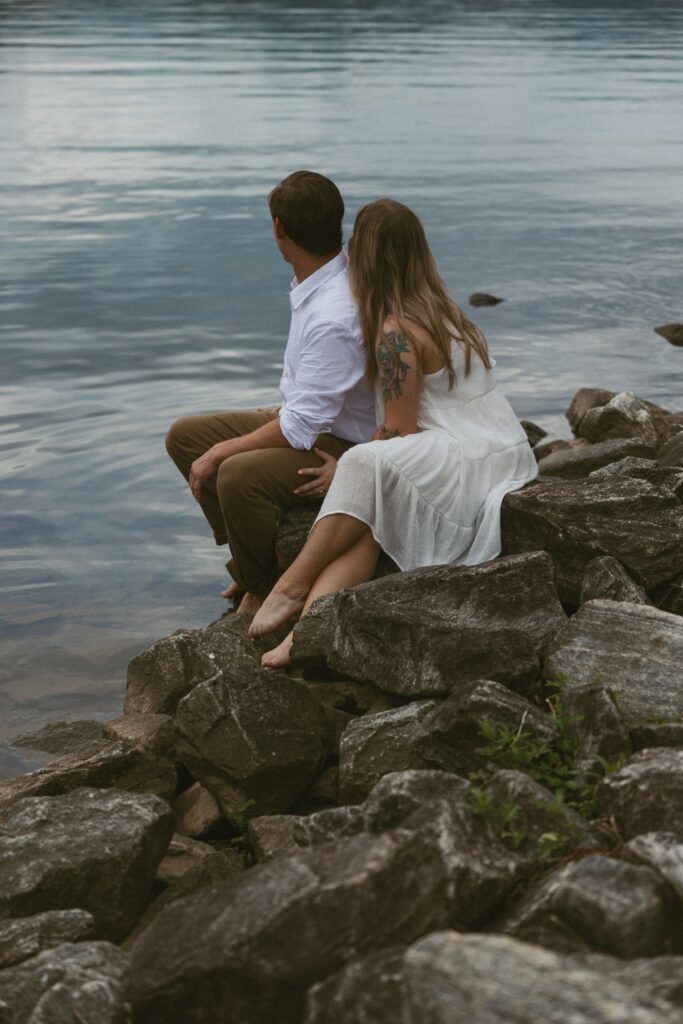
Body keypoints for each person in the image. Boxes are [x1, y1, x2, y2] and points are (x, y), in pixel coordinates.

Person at [249, 198, 539, 666]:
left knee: (367, 464)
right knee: (373, 523)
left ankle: (291, 584)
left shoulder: (395, 333)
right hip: (503, 450)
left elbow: (399, 430)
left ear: (364, 256)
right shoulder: (443, 310)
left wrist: (343, 466)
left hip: (466, 458)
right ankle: (302, 636)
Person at [165, 171, 376, 613]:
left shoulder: (335, 310)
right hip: (315, 419)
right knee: (185, 436)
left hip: (342, 441)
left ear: (279, 228)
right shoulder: (323, 277)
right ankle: (248, 559)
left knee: (234, 473)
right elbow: (309, 401)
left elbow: (300, 429)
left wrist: (222, 452)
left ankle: (261, 582)